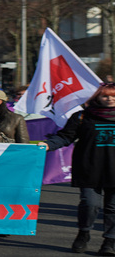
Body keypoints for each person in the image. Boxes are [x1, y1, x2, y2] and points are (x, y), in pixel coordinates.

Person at [40, 83, 115, 255]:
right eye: (105, 96)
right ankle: (84, 233)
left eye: (113, 96)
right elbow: (65, 137)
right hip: (89, 169)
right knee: (90, 204)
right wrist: (47, 145)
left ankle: (110, 241)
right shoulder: (82, 116)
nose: (110, 99)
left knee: (113, 208)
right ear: (97, 97)